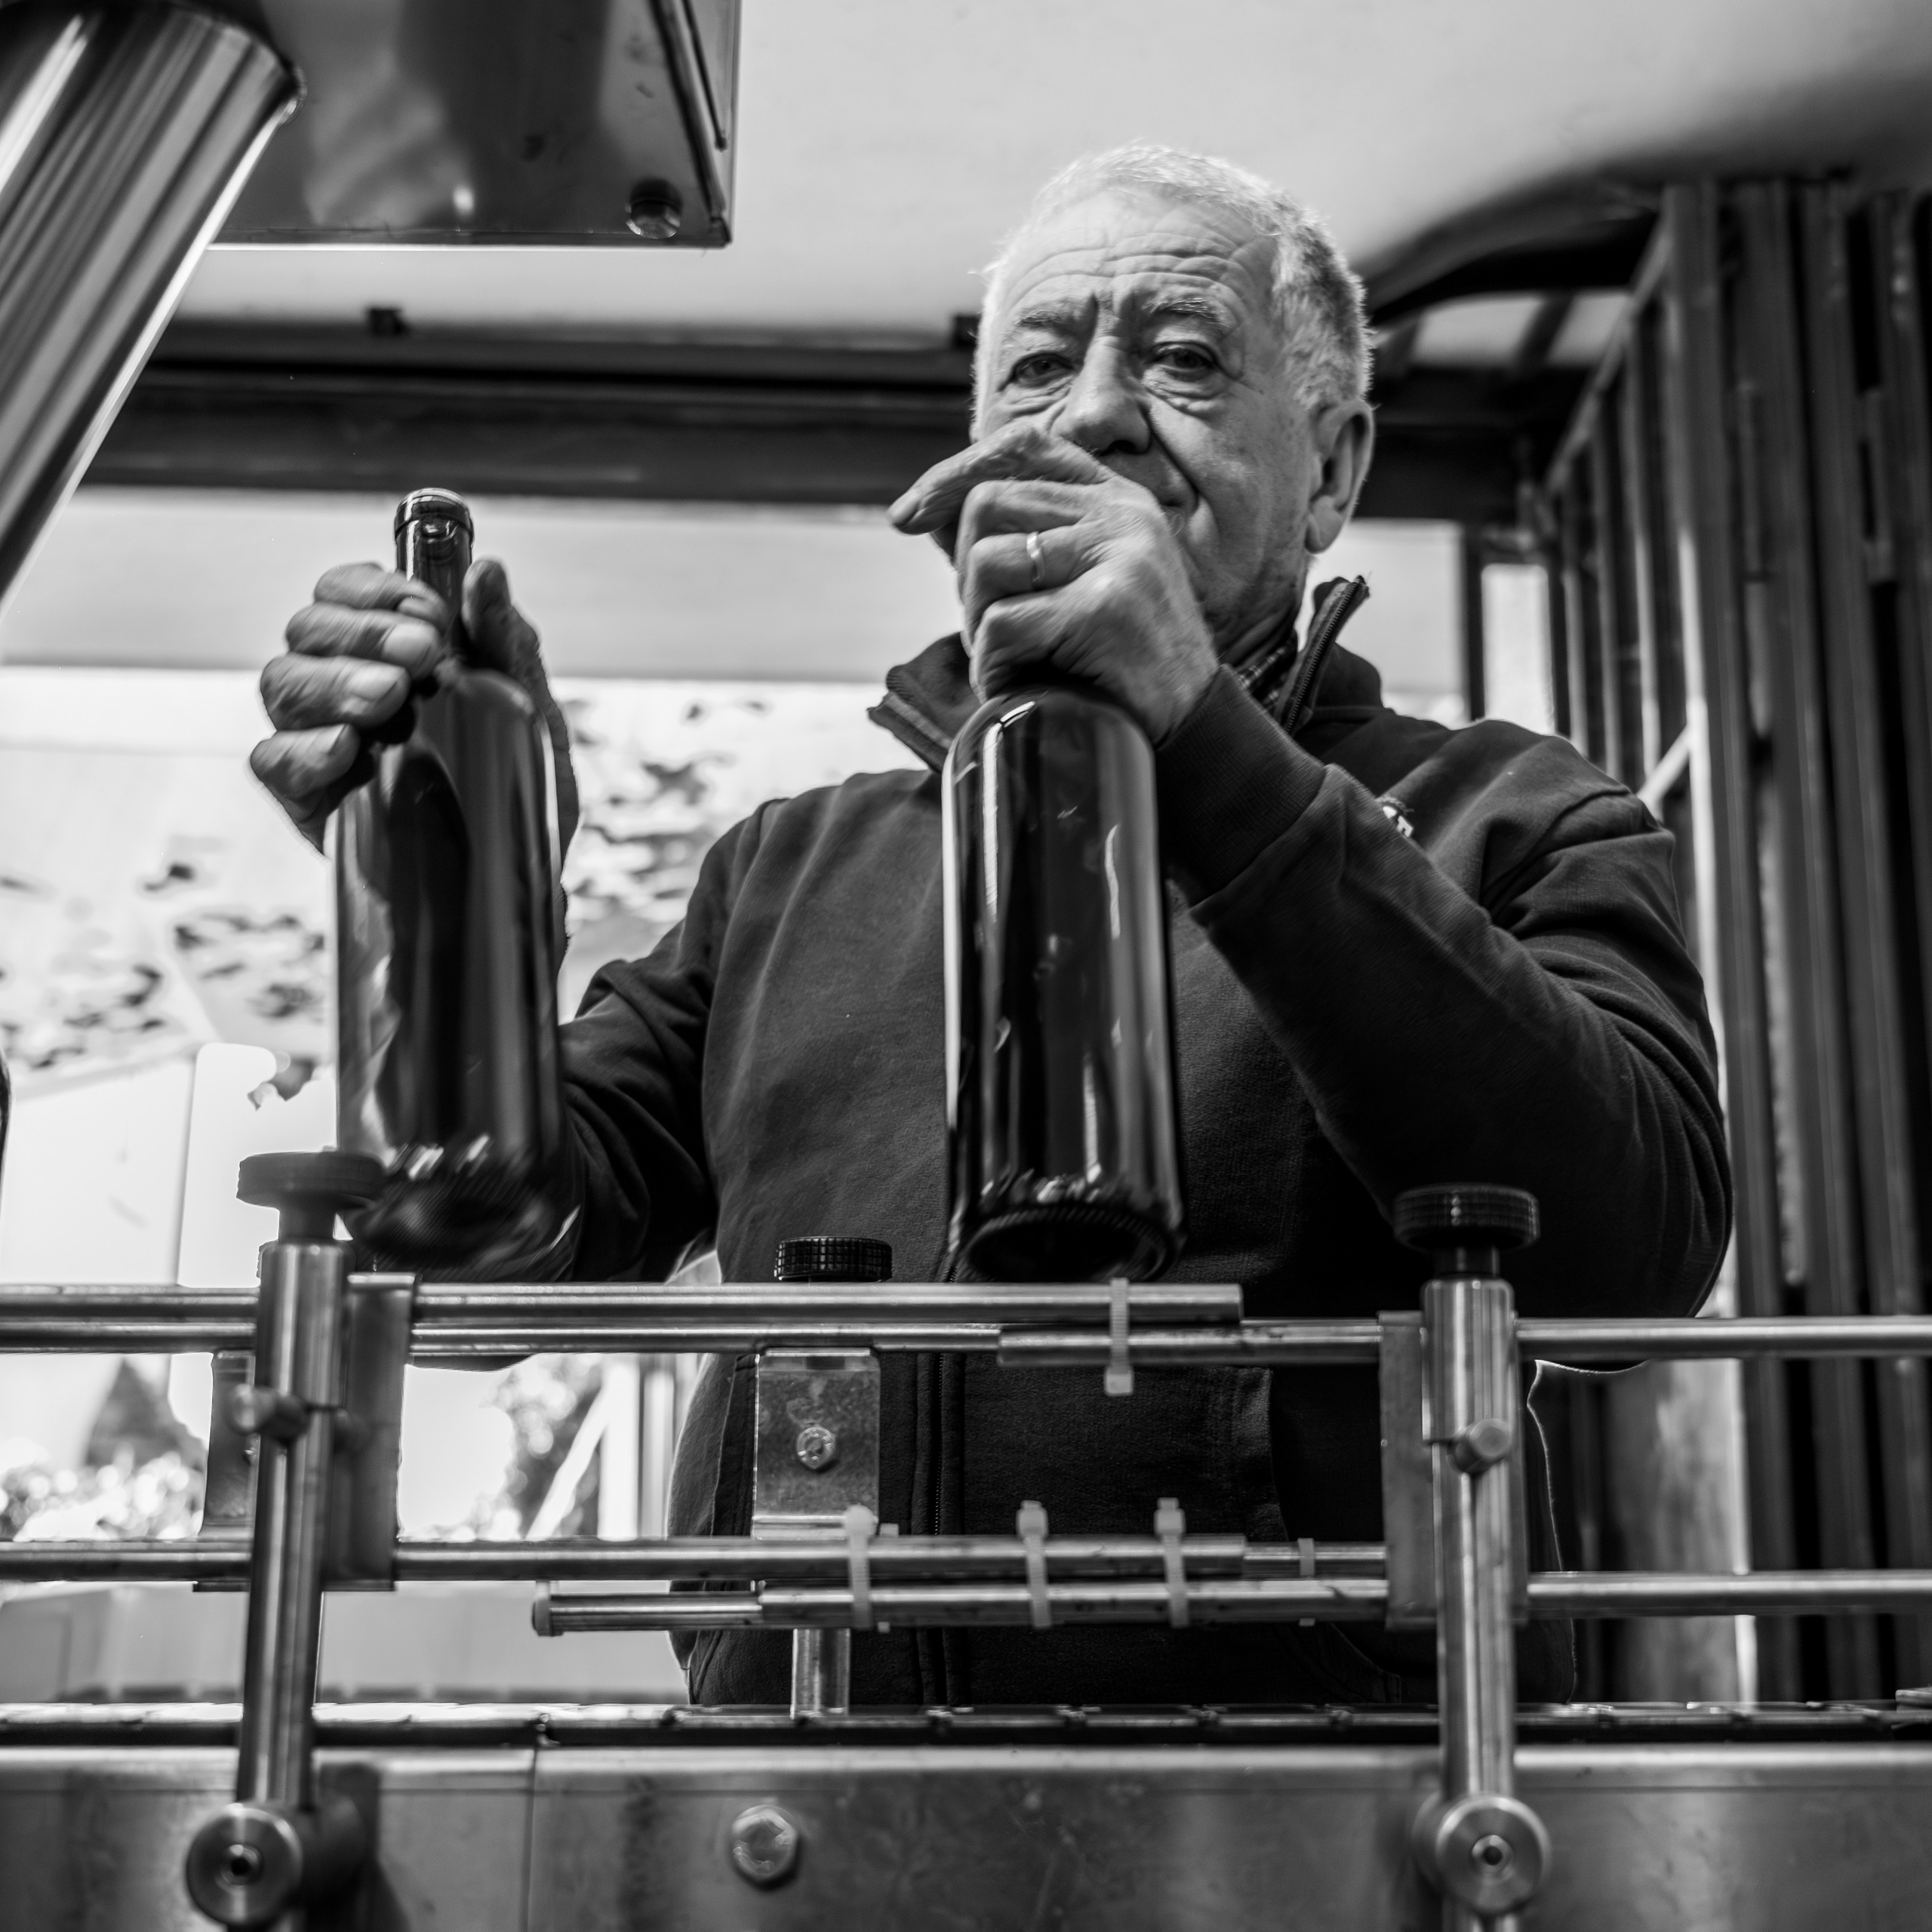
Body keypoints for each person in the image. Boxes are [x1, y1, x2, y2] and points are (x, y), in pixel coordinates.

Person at [251, 144, 1730, 1706]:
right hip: (796, 1819)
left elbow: (1621, 1262)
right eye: (1033, 365)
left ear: (1334, 470)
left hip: (1309, 1823)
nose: (1087, 412)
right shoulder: (784, 870)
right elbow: (488, 1276)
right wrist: (444, 902)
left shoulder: (1509, 814)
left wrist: (1201, 737)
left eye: (1177, 359)